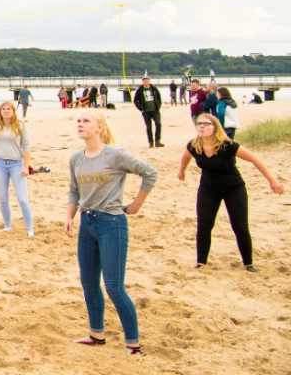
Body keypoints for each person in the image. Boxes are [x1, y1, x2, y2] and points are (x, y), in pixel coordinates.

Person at [65, 109, 158, 357]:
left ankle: (133, 345)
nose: (80, 124)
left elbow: (150, 172)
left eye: (86, 121)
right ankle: (96, 334)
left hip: (112, 224)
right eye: (78, 121)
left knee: (114, 287)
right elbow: (74, 190)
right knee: (88, 282)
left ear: (99, 127)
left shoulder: (115, 155)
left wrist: (137, 204)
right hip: (88, 223)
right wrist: (69, 216)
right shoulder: (76, 158)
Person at [177, 114, 283, 273]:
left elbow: (254, 159)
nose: (202, 127)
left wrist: (272, 180)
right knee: (204, 224)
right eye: (199, 124)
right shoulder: (193, 145)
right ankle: (201, 263)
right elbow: (185, 156)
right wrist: (182, 171)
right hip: (208, 188)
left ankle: (248, 263)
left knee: (239, 225)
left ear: (215, 127)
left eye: (206, 124)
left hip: (233, 188)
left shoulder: (228, 145)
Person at [0, 102, 34, 236]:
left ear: (13, 111)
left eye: (8, 109)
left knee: (22, 199)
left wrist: (26, 167)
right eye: (3, 109)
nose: (6, 111)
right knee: (3, 198)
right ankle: (8, 226)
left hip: (16, 164)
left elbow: (26, 147)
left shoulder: (20, 125)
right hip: (0, 164)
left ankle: (30, 229)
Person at [132, 77, 163, 148]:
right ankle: (151, 142)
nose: (145, 82)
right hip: (146, 112)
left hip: (155, 111)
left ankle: (157, 141)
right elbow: (135, 100)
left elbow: (159, 97)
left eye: (147, 80)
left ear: (149, 81)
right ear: (142, 82)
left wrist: (159, 105)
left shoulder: (154, 88)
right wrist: (140, 109)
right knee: (149, 127)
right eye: (144, 81)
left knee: (158, 124)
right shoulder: (140, 90)